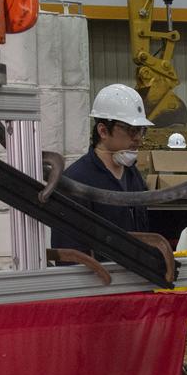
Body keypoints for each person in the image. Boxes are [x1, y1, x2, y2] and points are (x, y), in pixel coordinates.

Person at [51, 83, 153, 256]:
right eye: (131, 130)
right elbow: (69, 254)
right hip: (99, 280)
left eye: (142, 131)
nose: (138, 138)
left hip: (136, 277)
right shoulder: (75, 181)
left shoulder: (133, 175)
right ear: (103, 131)